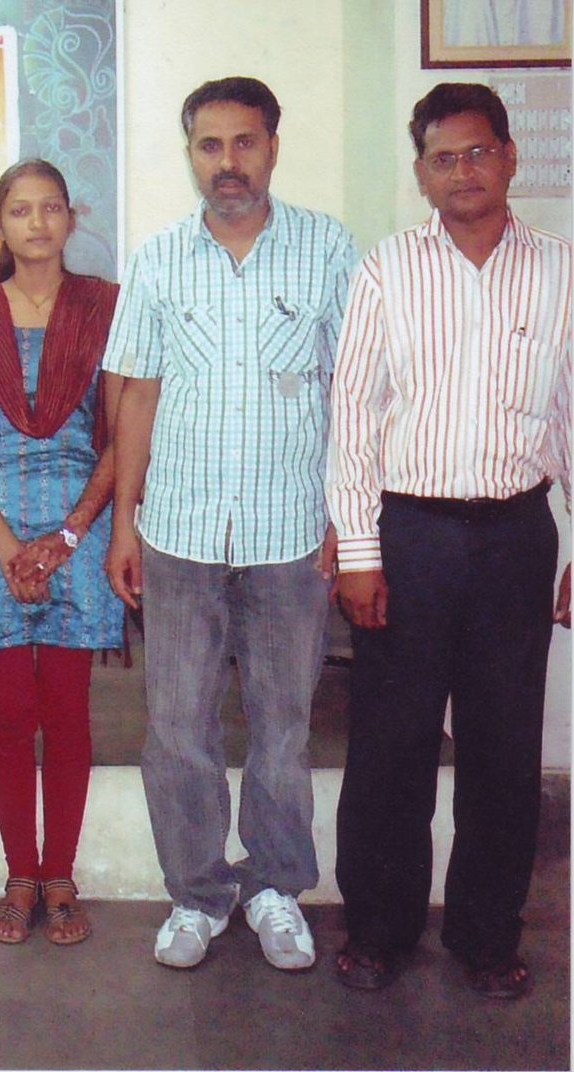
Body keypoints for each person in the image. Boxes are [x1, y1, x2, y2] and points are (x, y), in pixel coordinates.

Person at [102, 77, 355, 971]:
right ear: (191, 156)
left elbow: (354, 392)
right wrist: (124, 526)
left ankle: (277, 887)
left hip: (292, 537)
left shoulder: (328, 249)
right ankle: (198, 895)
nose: (228, 163)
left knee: (284, 728)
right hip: (180, 535)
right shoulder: (160, 258)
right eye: (210, 146)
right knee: (178, 729)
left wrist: (348, 516)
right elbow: (136, 396)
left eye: (245, 142)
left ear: (272, 147)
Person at [328, 83, 572, 1000]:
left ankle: (486, 936)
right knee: (390, 745)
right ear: (422, 174)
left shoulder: (560, 270)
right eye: (443, 158)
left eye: (477, 152)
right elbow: (354, 417)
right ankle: (378, 930)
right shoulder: (388, 269)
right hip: (411, 536)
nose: (462, 171)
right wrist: (360, 552)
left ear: (510, 157)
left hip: (516, 535)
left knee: (504, 749)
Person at [0, 160, 122, 947]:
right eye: (21, 210)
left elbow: (123, 435)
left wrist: (70, 533)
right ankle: (21, 871)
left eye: (52, 207)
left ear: (70, 218)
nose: (38, 223)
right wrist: (5, 541)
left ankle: (62, 874)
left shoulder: (105, 308)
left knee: (69, 712)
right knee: (11, 714)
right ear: (1, 224)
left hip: (80, 523)